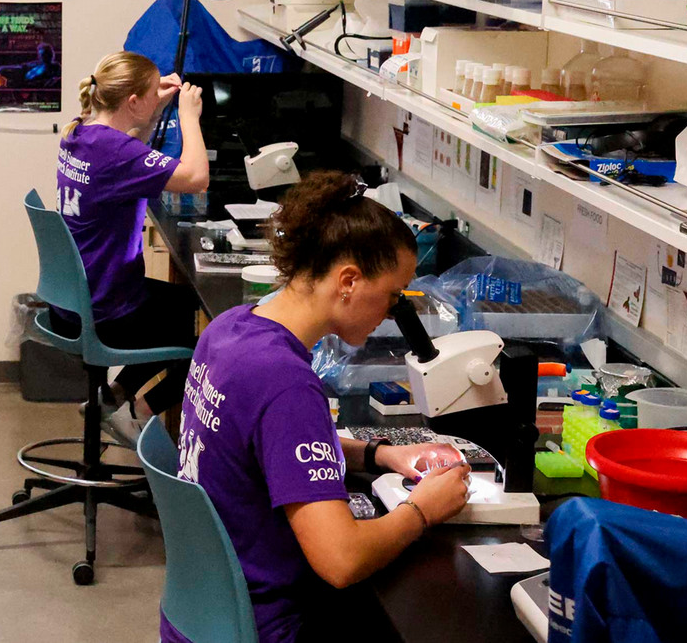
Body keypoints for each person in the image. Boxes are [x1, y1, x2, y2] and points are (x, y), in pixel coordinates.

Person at [166, 171, 471, 643]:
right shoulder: (286, 383)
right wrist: (422, 510)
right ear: (348, 280)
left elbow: (264, 447)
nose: (392, 311)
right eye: (392, 296)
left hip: (203, 614)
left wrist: (380, 454)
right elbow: (341, 561)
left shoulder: (229, 329)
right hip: (265, 627)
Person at [55, 50, 207, 442]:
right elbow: (195, 177)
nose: (159, 95)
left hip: (75, 301)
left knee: (183, 307)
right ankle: (139, 412)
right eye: (151, 91)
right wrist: (188, 115)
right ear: (133, 102)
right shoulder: (117, 152)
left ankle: (112, 399)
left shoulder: (81, 133)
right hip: (108, 313)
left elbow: (131, 143)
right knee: (214, 342)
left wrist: (156, 106)